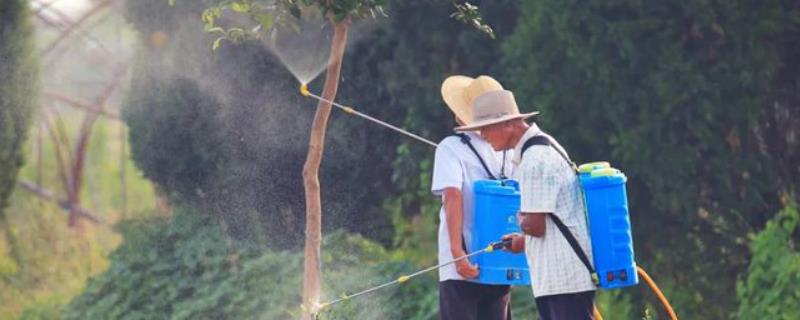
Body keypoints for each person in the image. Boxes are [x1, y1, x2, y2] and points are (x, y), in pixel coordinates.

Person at [453, 86, 597, 320]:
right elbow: (548, 222)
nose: (483, 136)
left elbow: (535, 226)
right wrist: (521, 242)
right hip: (561, 279)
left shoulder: (534, 160)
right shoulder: (546, 146)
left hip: (563, 280)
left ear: (507, 124)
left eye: (486, 129)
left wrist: (521, 220)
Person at [432, 75, 515, 320]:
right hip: (499, 258)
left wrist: (458, 254)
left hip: (461, 266)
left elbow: (453, 197)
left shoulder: (450, 147)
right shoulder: (505, 149)